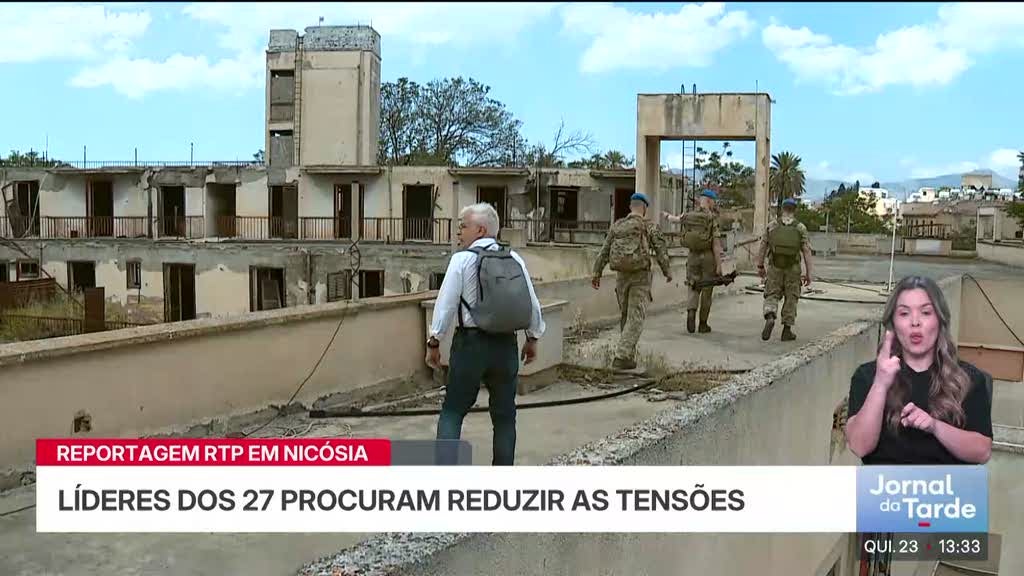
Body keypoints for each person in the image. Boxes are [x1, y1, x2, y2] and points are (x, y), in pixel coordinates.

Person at [426, 203, 545, 466]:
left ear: (480, 230)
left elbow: (445, 304)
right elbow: (532, 304)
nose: (459, 231)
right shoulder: (514, 259)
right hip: (505, 345)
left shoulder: (462, 260)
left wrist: (434, 341)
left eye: (463, 226)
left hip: (471, 345)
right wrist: (532, 338)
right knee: (504, 417)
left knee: (453, 410)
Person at [845, 276, 993, 465]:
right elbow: (859, 446)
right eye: (904, 313)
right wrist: (880, 384)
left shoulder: (968, 379)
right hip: (884, 483)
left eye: (925, 312)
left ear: (940, 320)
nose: (915, 322)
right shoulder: (867, 376)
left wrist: (934, 426)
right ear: (893, 324)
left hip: (948, 483)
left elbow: (982, 452)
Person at [591, 192, 672, 370]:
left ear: (630, 207)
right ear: (644, 208)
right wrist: (667, 271)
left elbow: (604, 251)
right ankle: (621, 356)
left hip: (621, 277)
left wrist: (596, 273)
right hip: (640, 277)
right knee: (636, 317)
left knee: (626, 316)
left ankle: (628, 355)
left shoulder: (617, 226)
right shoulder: (648, 226)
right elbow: (661, 249)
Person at [663, 189, 723, 334]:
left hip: (692, 256)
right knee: (707, 290)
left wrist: (666, 216)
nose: (714, 204)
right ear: (709, 201)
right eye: (713, 201)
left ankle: (691, 312)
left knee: (693, 285)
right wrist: (719, 265)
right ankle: (703, 324)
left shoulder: (689, 216)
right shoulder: (711, 218)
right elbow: (716, 244)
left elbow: (675, 219)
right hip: (708, 257)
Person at [756, 197, 813, 341]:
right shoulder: (800, 228)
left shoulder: (772, 226)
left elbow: (763, 247)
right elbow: (806, 251)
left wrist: (760, 266)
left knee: (772, 294)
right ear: (795, 210)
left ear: (782, 209)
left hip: (775, 266)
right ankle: (786, 330)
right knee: (791, 297)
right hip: (793, 268)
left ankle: (770, 316)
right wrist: (808, 273)